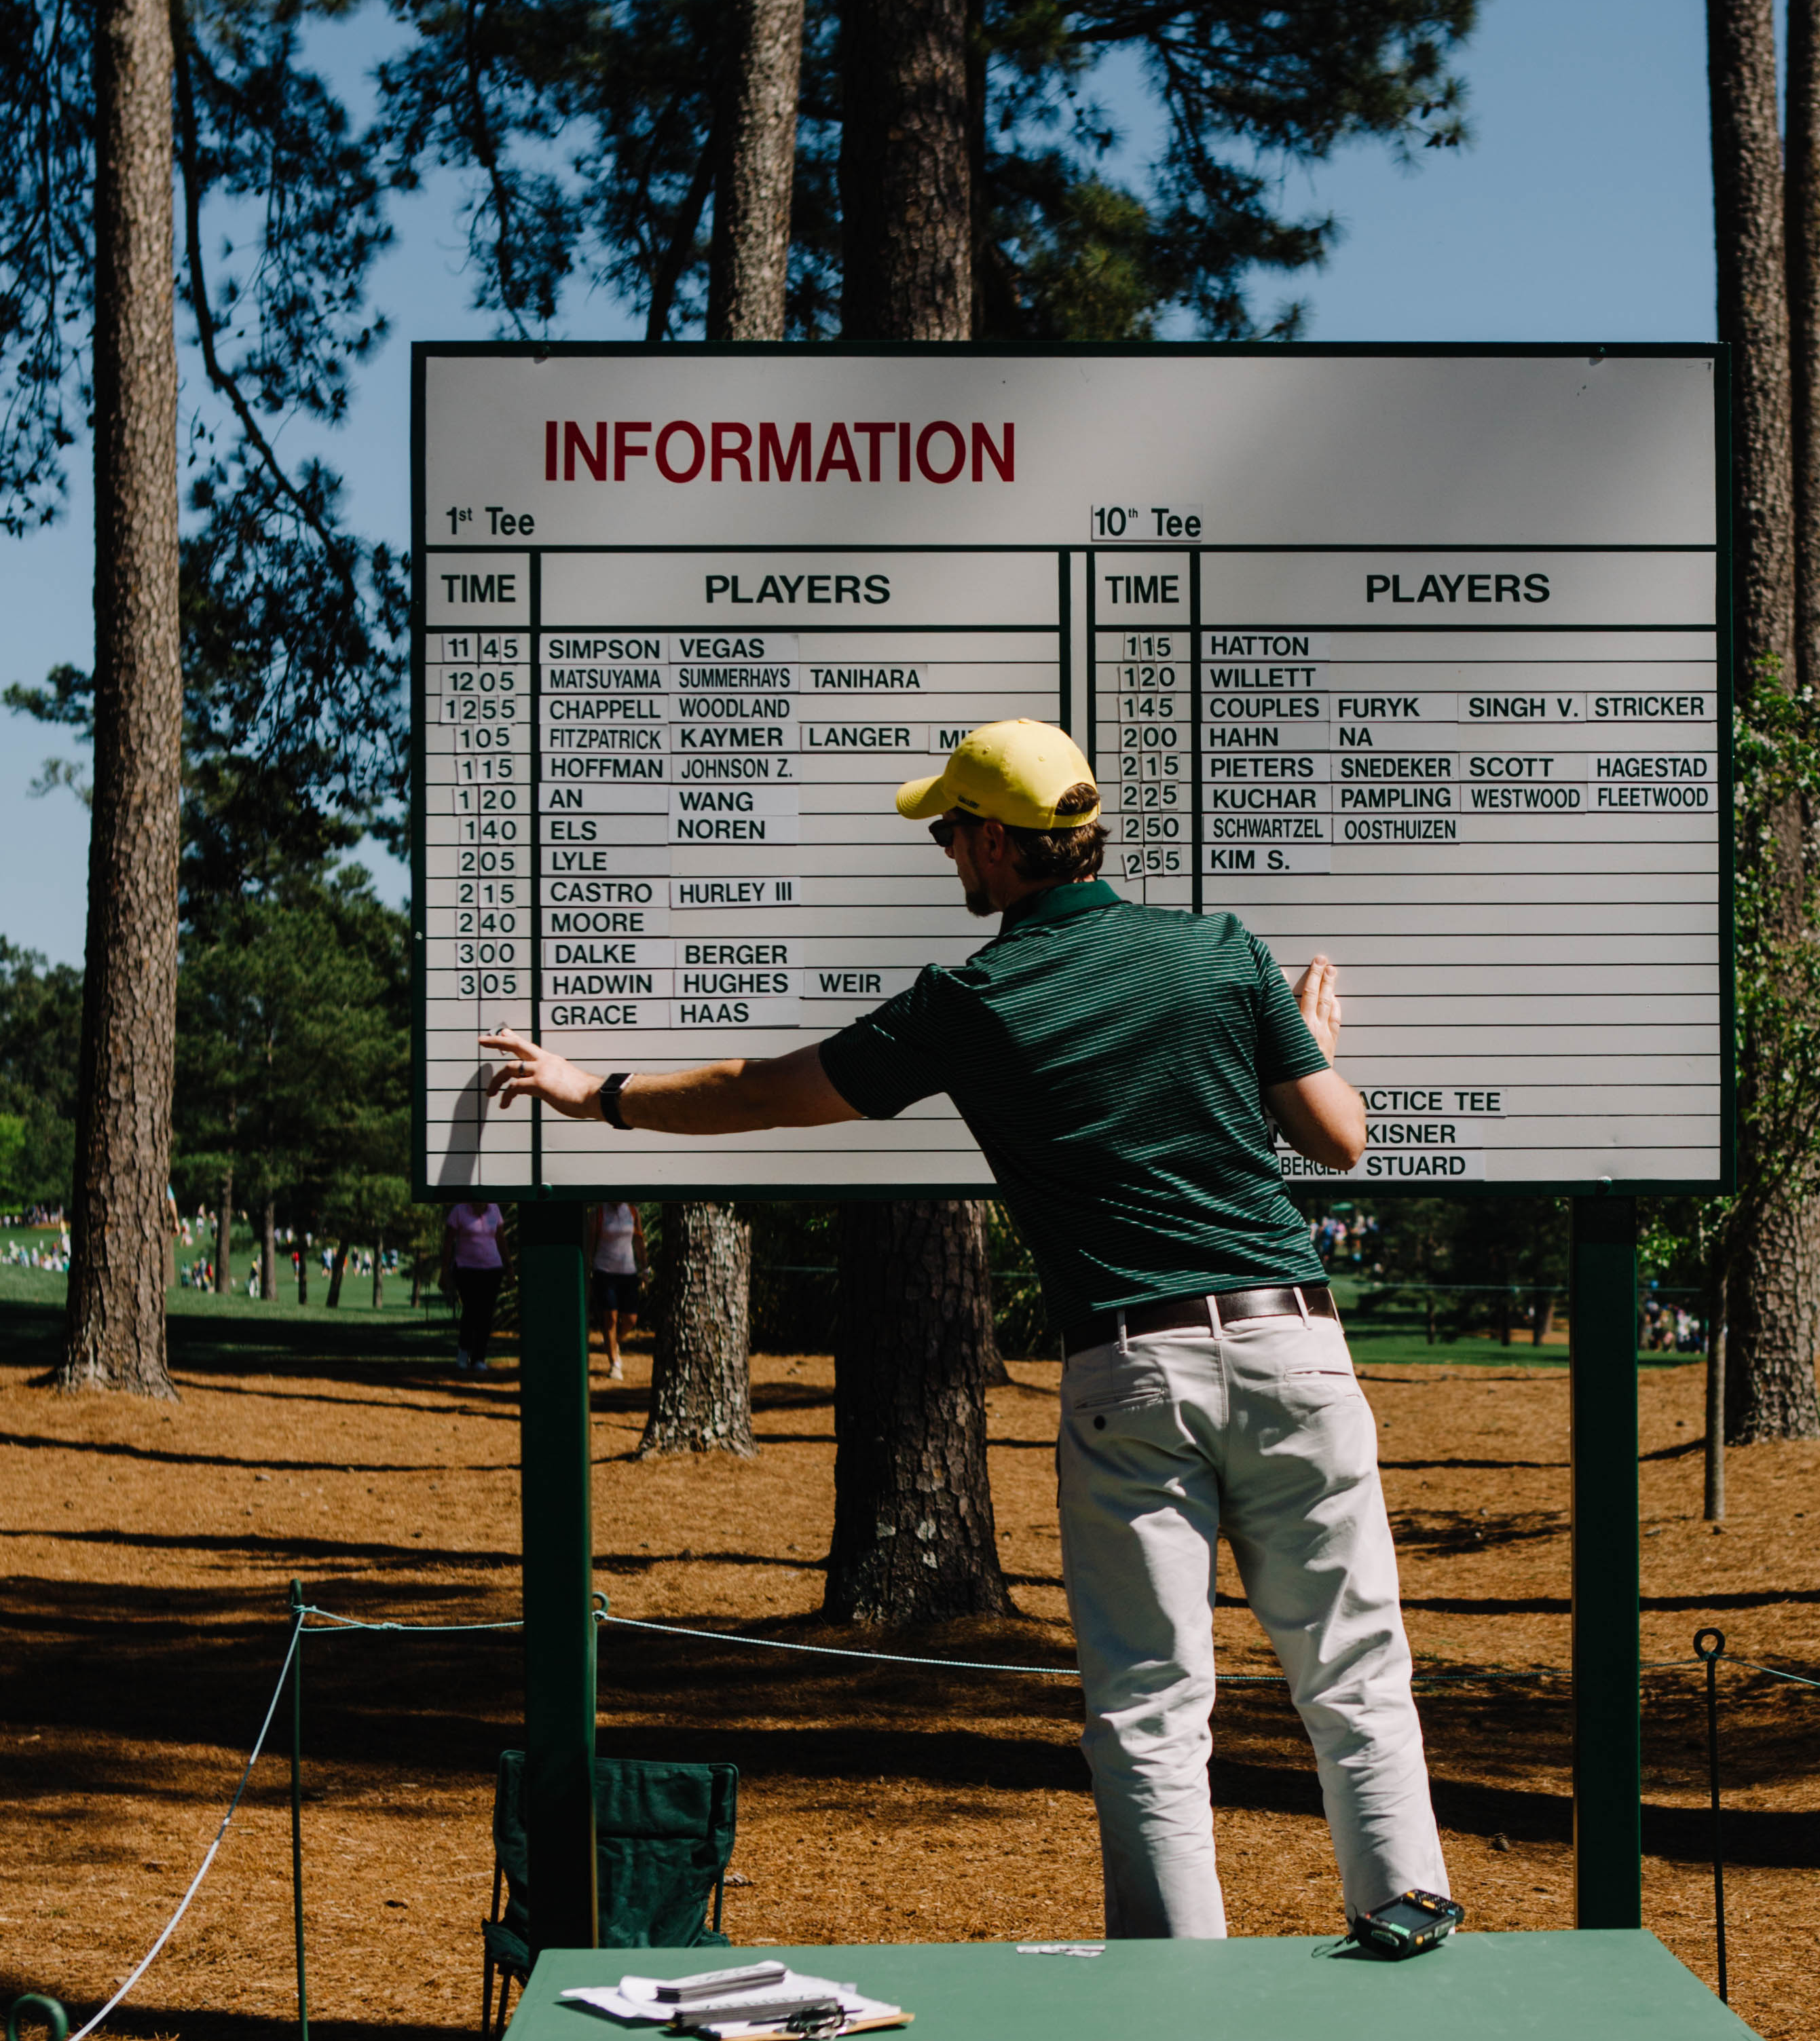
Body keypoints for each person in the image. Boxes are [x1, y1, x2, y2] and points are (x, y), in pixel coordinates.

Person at [481, 719, 1453, 1941]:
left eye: (947, 832)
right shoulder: (1219, 951)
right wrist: (1306, 1045)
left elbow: (768, 1093)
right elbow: (1338, 1136)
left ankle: (1175, 1990)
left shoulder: (973, 999)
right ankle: (1406, 1904)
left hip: (1133, 1365)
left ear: (997, 842)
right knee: (1353, 1664)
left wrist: (599, 1095)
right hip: (1294, 1342)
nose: (943, 852)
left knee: (1151, 1703)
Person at [444, 1197, 509, 1377]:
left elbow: (501, 1239)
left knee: (486, 1314)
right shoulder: (459, 1210)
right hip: (466, 1269)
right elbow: (448, 1242)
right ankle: (463, 1353)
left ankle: (479, 1358)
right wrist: (444, 1271)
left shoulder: (494, 1210)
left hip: (492, 1270)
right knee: (471, 1310)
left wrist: (508, 1267)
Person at [585, 1198, 646, 1381]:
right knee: (610, 1316)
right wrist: (588, 1269)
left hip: (628, 1272)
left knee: (631, 1319)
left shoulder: (632, 1211)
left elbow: (639, 1240)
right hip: (605, 1271)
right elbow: (591, 1243)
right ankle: (614, 1363)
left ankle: (613, 1343)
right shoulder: (599, 1213)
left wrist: (645, 1269)